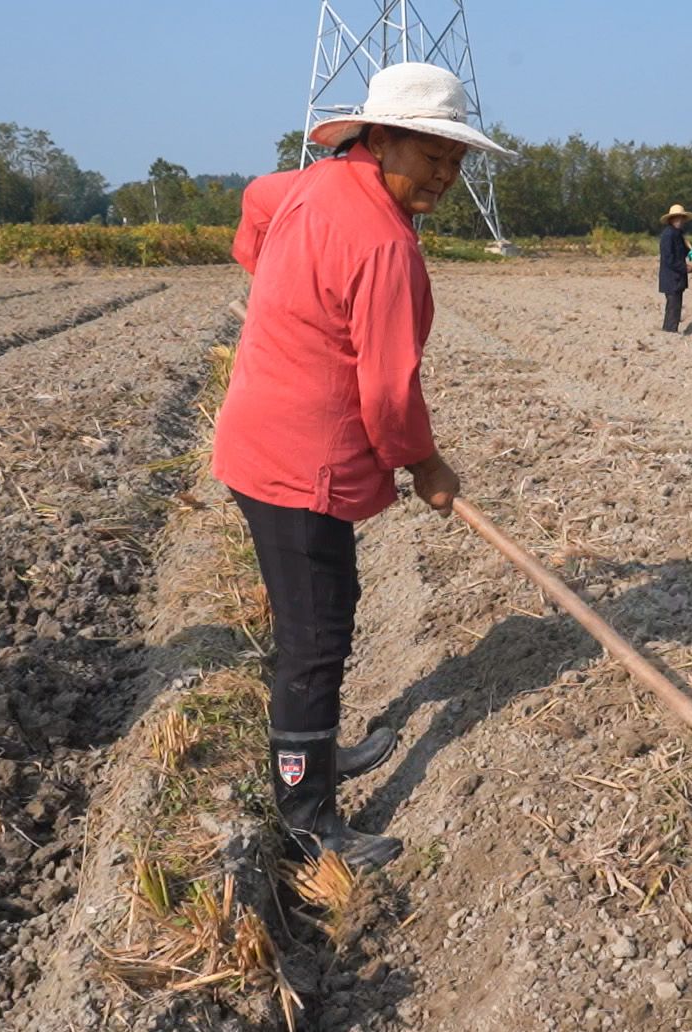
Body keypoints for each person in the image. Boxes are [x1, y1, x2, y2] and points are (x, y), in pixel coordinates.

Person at [213, 62, 515, 869]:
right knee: (315, 641)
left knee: (329, 602)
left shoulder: (317, 184)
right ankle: (308, 823)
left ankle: (313, 754)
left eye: (455, 161)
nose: (445, 176)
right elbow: (387, 395)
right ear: (379, 138)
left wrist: (287, 294)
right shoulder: (384, 246)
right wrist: (428, 467)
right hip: (299, 462)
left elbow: (255, 201)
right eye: (431, 156)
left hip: (262, 441)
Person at [658, 204, 692, 332]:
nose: (679, 221)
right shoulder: (668, 235)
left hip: (678, 279)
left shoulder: (679, 235)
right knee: (673, 308)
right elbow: (669, 259)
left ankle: (670, 330)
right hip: (671, 278)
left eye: (681, 218)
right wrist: (685, 268)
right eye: (677, 218)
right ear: (671, 219)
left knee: (675, 307)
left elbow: (684, 252)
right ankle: (670, 331)